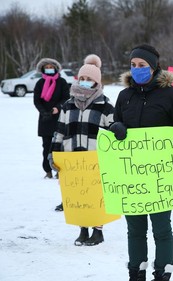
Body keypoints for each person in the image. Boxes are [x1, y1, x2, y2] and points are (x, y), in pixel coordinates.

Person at [109, 44, 173, 281]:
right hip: (132, 176)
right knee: (135, 230)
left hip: (161, 177)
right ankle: (136, 272)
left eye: (142, 65)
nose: (137, 69)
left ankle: (162, 273)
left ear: (154, 67)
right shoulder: (124, 96)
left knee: (161, 229)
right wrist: (115, 127)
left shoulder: (171, 94)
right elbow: (114, 128)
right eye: (133, 65)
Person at [49, 54, 115, 246]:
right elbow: (59, 131)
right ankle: (83, 229)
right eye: (83, 78)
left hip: (96, 161)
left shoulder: (105, 106)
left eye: (90, 80)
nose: (85, 82)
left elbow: (112, 133)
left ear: (97, 82)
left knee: (96, 195)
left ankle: (98, 231)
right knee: (78, 195)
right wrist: (53, 154)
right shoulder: (68, 106)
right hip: (72, 160)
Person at [33, 58, 70, 180]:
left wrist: (57, 108)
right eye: (46, 67)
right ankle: (48, 170)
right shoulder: (40, 83)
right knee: (46, 146)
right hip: (45, 119)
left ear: (55, 68)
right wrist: (44, 112)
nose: (49, 69)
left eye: (51, 67)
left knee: (59, 146)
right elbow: (37, 100)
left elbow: (66, 97)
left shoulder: (62, 82)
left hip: (60, 119)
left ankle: (59, 170)